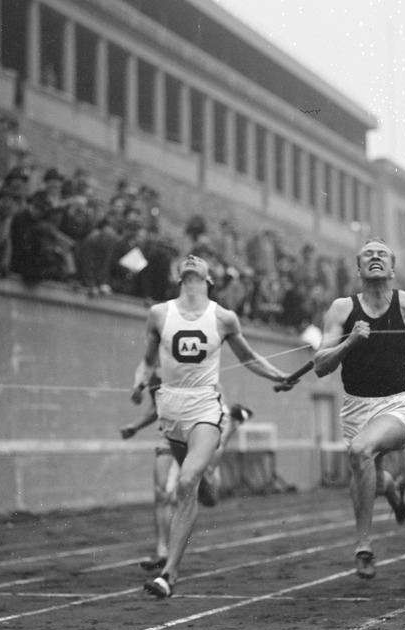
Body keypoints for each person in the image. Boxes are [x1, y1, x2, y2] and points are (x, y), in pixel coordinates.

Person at [132, 254, 299, 598]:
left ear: (210, 280)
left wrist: (279, 376)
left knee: (187, 480)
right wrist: (139, 383)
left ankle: (169, 574)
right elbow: (147, 362)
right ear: (178, 276)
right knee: (199, 487)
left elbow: (249, 357)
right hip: (170, 410)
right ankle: (210, 481)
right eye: (186, 261)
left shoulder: (223, 317)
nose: (192, 260)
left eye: (199, 261)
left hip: (204, 406)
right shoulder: (159, 314)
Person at [313, 238, 405, 580]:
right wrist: (350, 341)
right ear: (358, 268)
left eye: (381, 254)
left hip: (397, 405)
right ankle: (394, 492)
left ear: (392, 267)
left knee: (360, 451)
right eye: (367, 254)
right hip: (356, 408)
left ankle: (363, 546)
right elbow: (320, 365)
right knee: (368, 468)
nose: (374, 257)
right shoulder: (342, 309)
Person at [121, 371, 254, 570]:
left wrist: (225, 428)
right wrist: (135, 427)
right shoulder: (156, 374)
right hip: (168, 430)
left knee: (209, 496)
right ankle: (161, 552)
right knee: (161, 492)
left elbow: (217, 410)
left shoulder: (201, 368)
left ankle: (234, 425)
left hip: (198, 428)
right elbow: (155, 408)